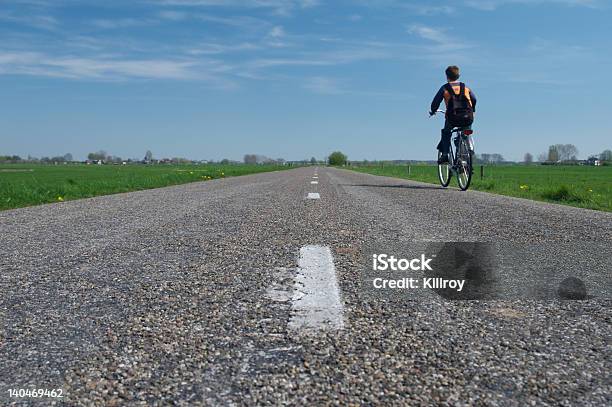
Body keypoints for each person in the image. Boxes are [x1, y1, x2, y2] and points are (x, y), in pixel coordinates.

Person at [429, 66, 477, 163]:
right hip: (468, 117)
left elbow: (435, 102)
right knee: (465, 132)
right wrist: (473, 110)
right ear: (458, 76)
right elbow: (474, 99)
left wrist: (433, 110)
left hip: (453, 117)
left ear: (447, 76)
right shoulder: (466, 87)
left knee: (446, 132)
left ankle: (445, 154)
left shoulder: (444, 88)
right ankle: (466, 151)